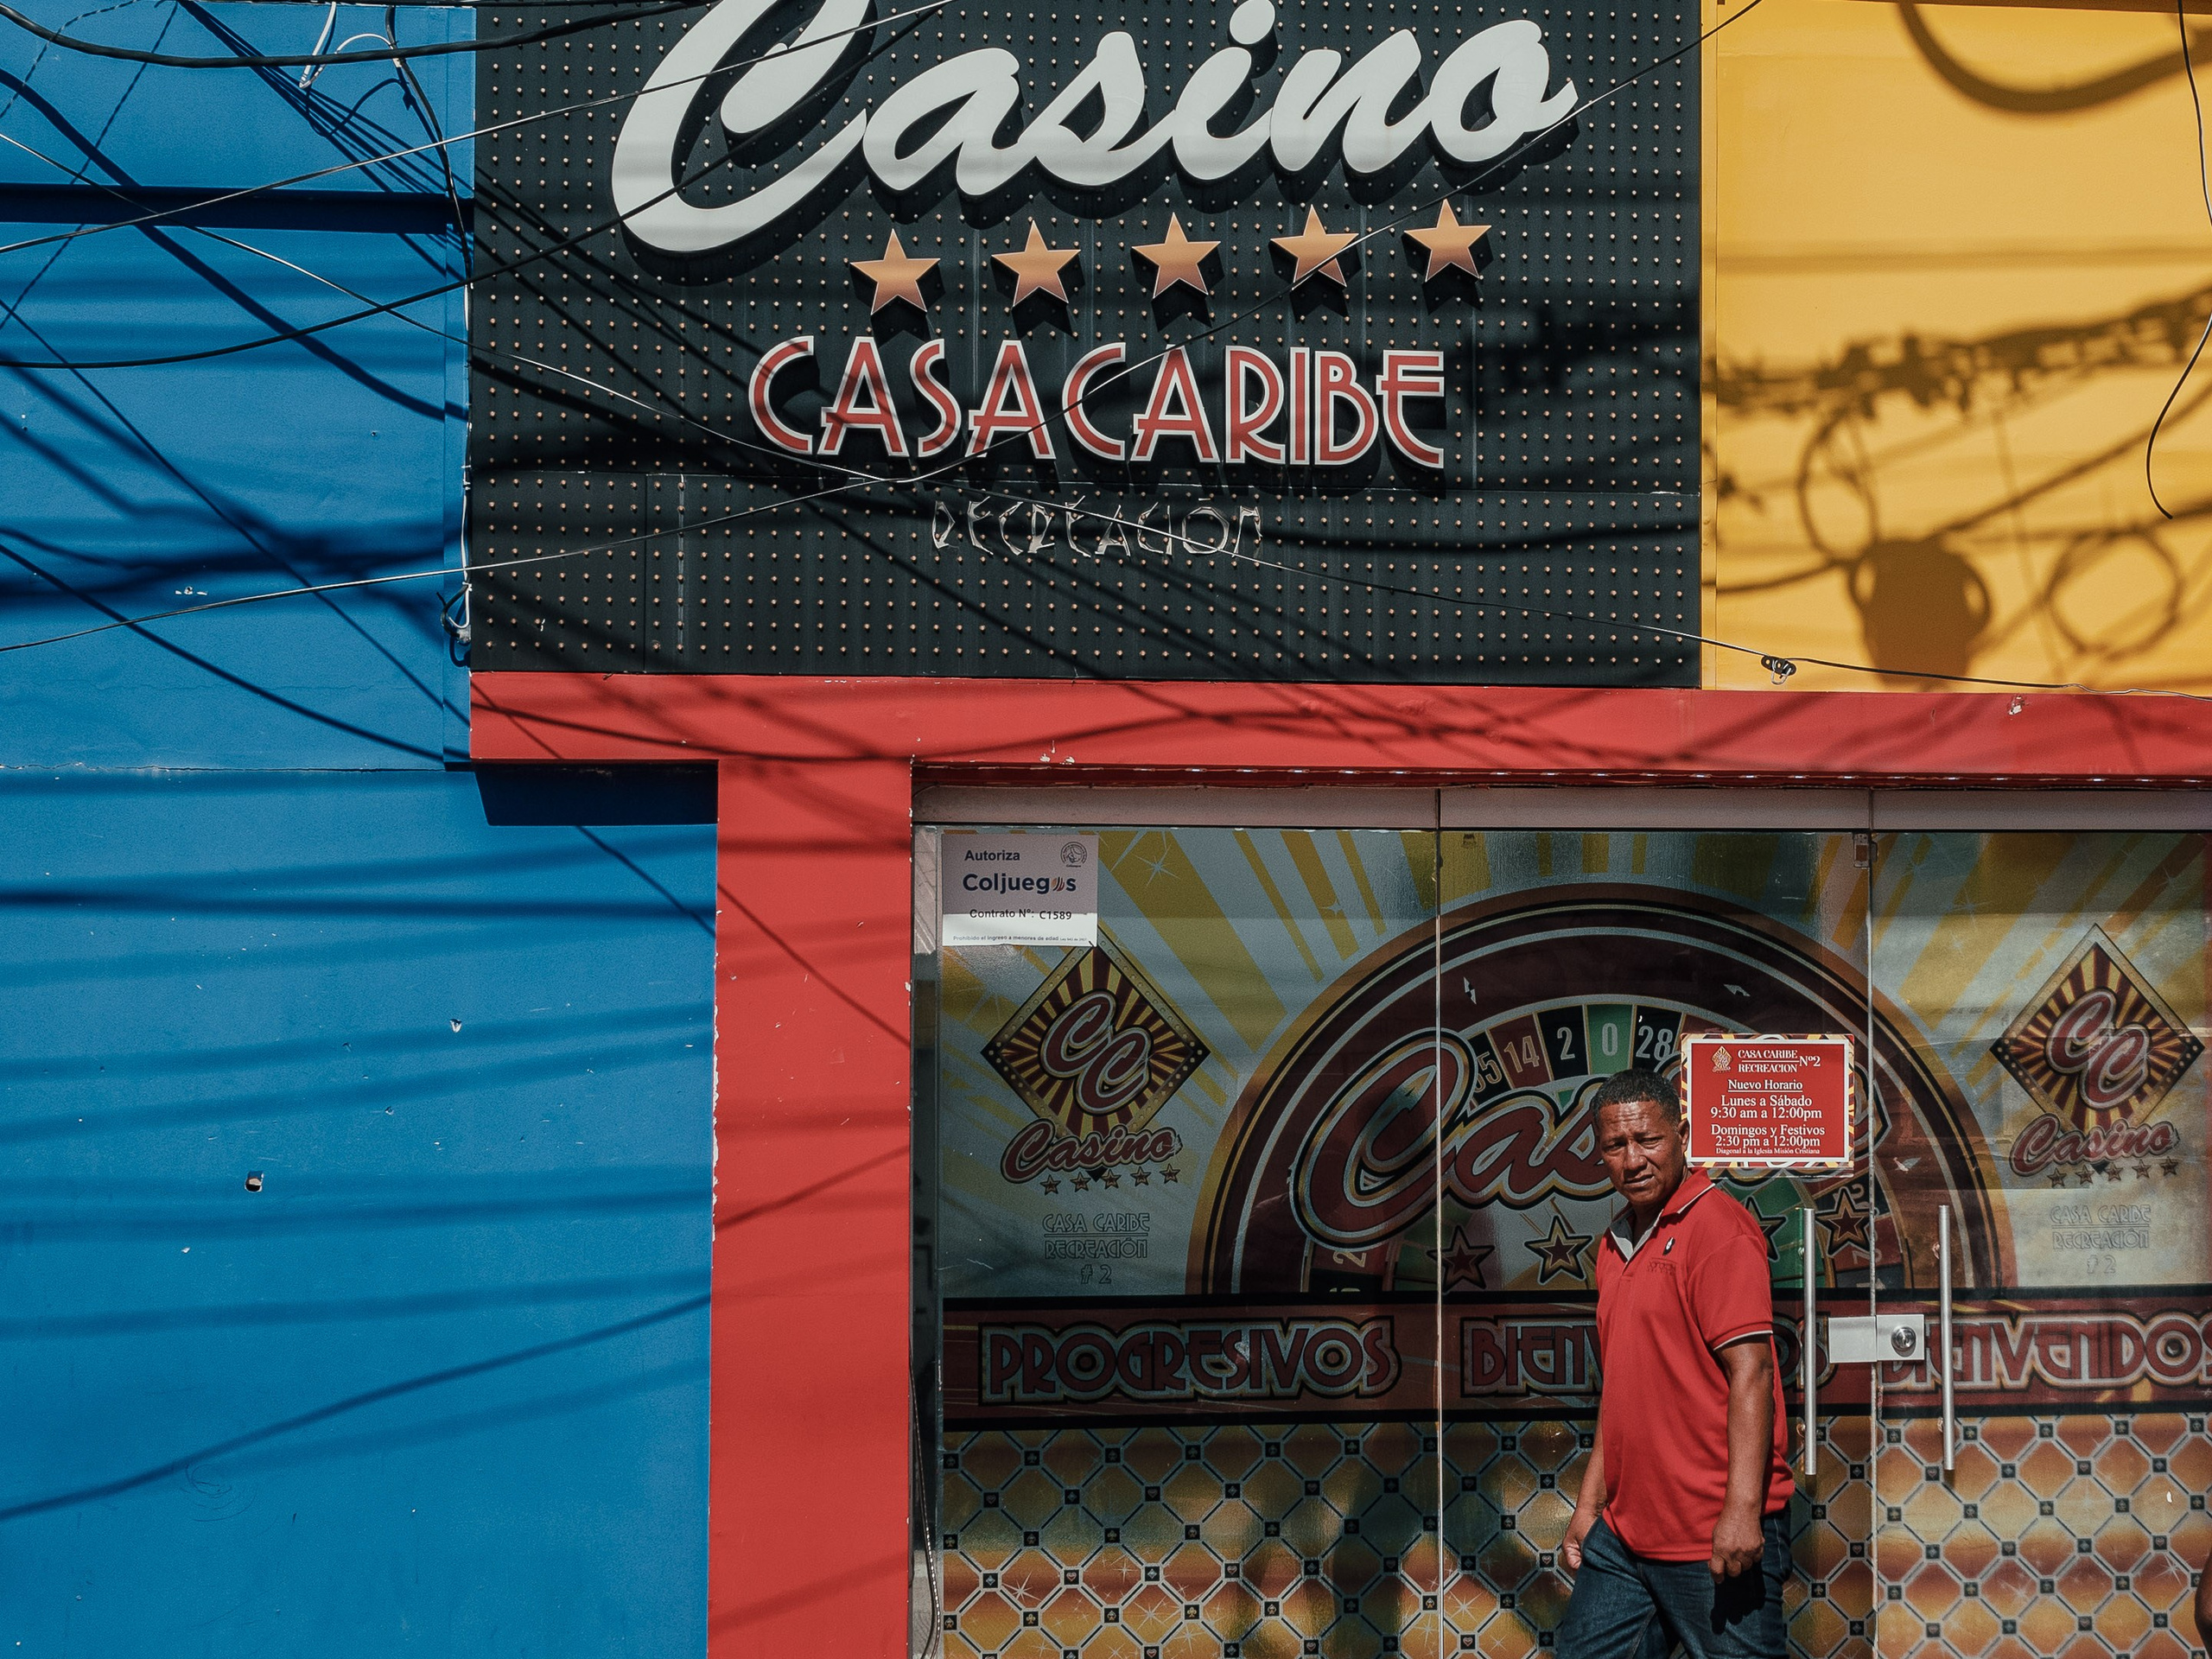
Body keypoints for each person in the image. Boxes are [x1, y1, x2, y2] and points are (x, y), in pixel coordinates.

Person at [1558, 1067, 1796, 1659]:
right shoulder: (1614, 1245)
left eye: (1648, 1139)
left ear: (1682, 1135)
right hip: (1626, 1536)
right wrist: (1590, 1509)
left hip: (1710, 1534)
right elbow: (1623, 1393)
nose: (1633, 1159)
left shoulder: (1718, 1229)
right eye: (1616, 1145)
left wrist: (1742, 1514)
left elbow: (1754, 1372)